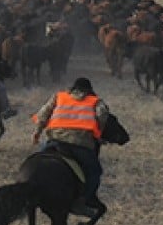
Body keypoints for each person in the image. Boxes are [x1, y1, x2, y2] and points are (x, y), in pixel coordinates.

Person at [31, 77, 110, 216]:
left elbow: (43, 114)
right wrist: (99, 132)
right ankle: (81, 201)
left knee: (36, 164)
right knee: (94, 172)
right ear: (89, 91)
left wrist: (37, 133)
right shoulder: (95, 101)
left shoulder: (59, 96)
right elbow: (102, 114)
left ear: (72, 88)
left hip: (54, 139)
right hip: (80, 143)